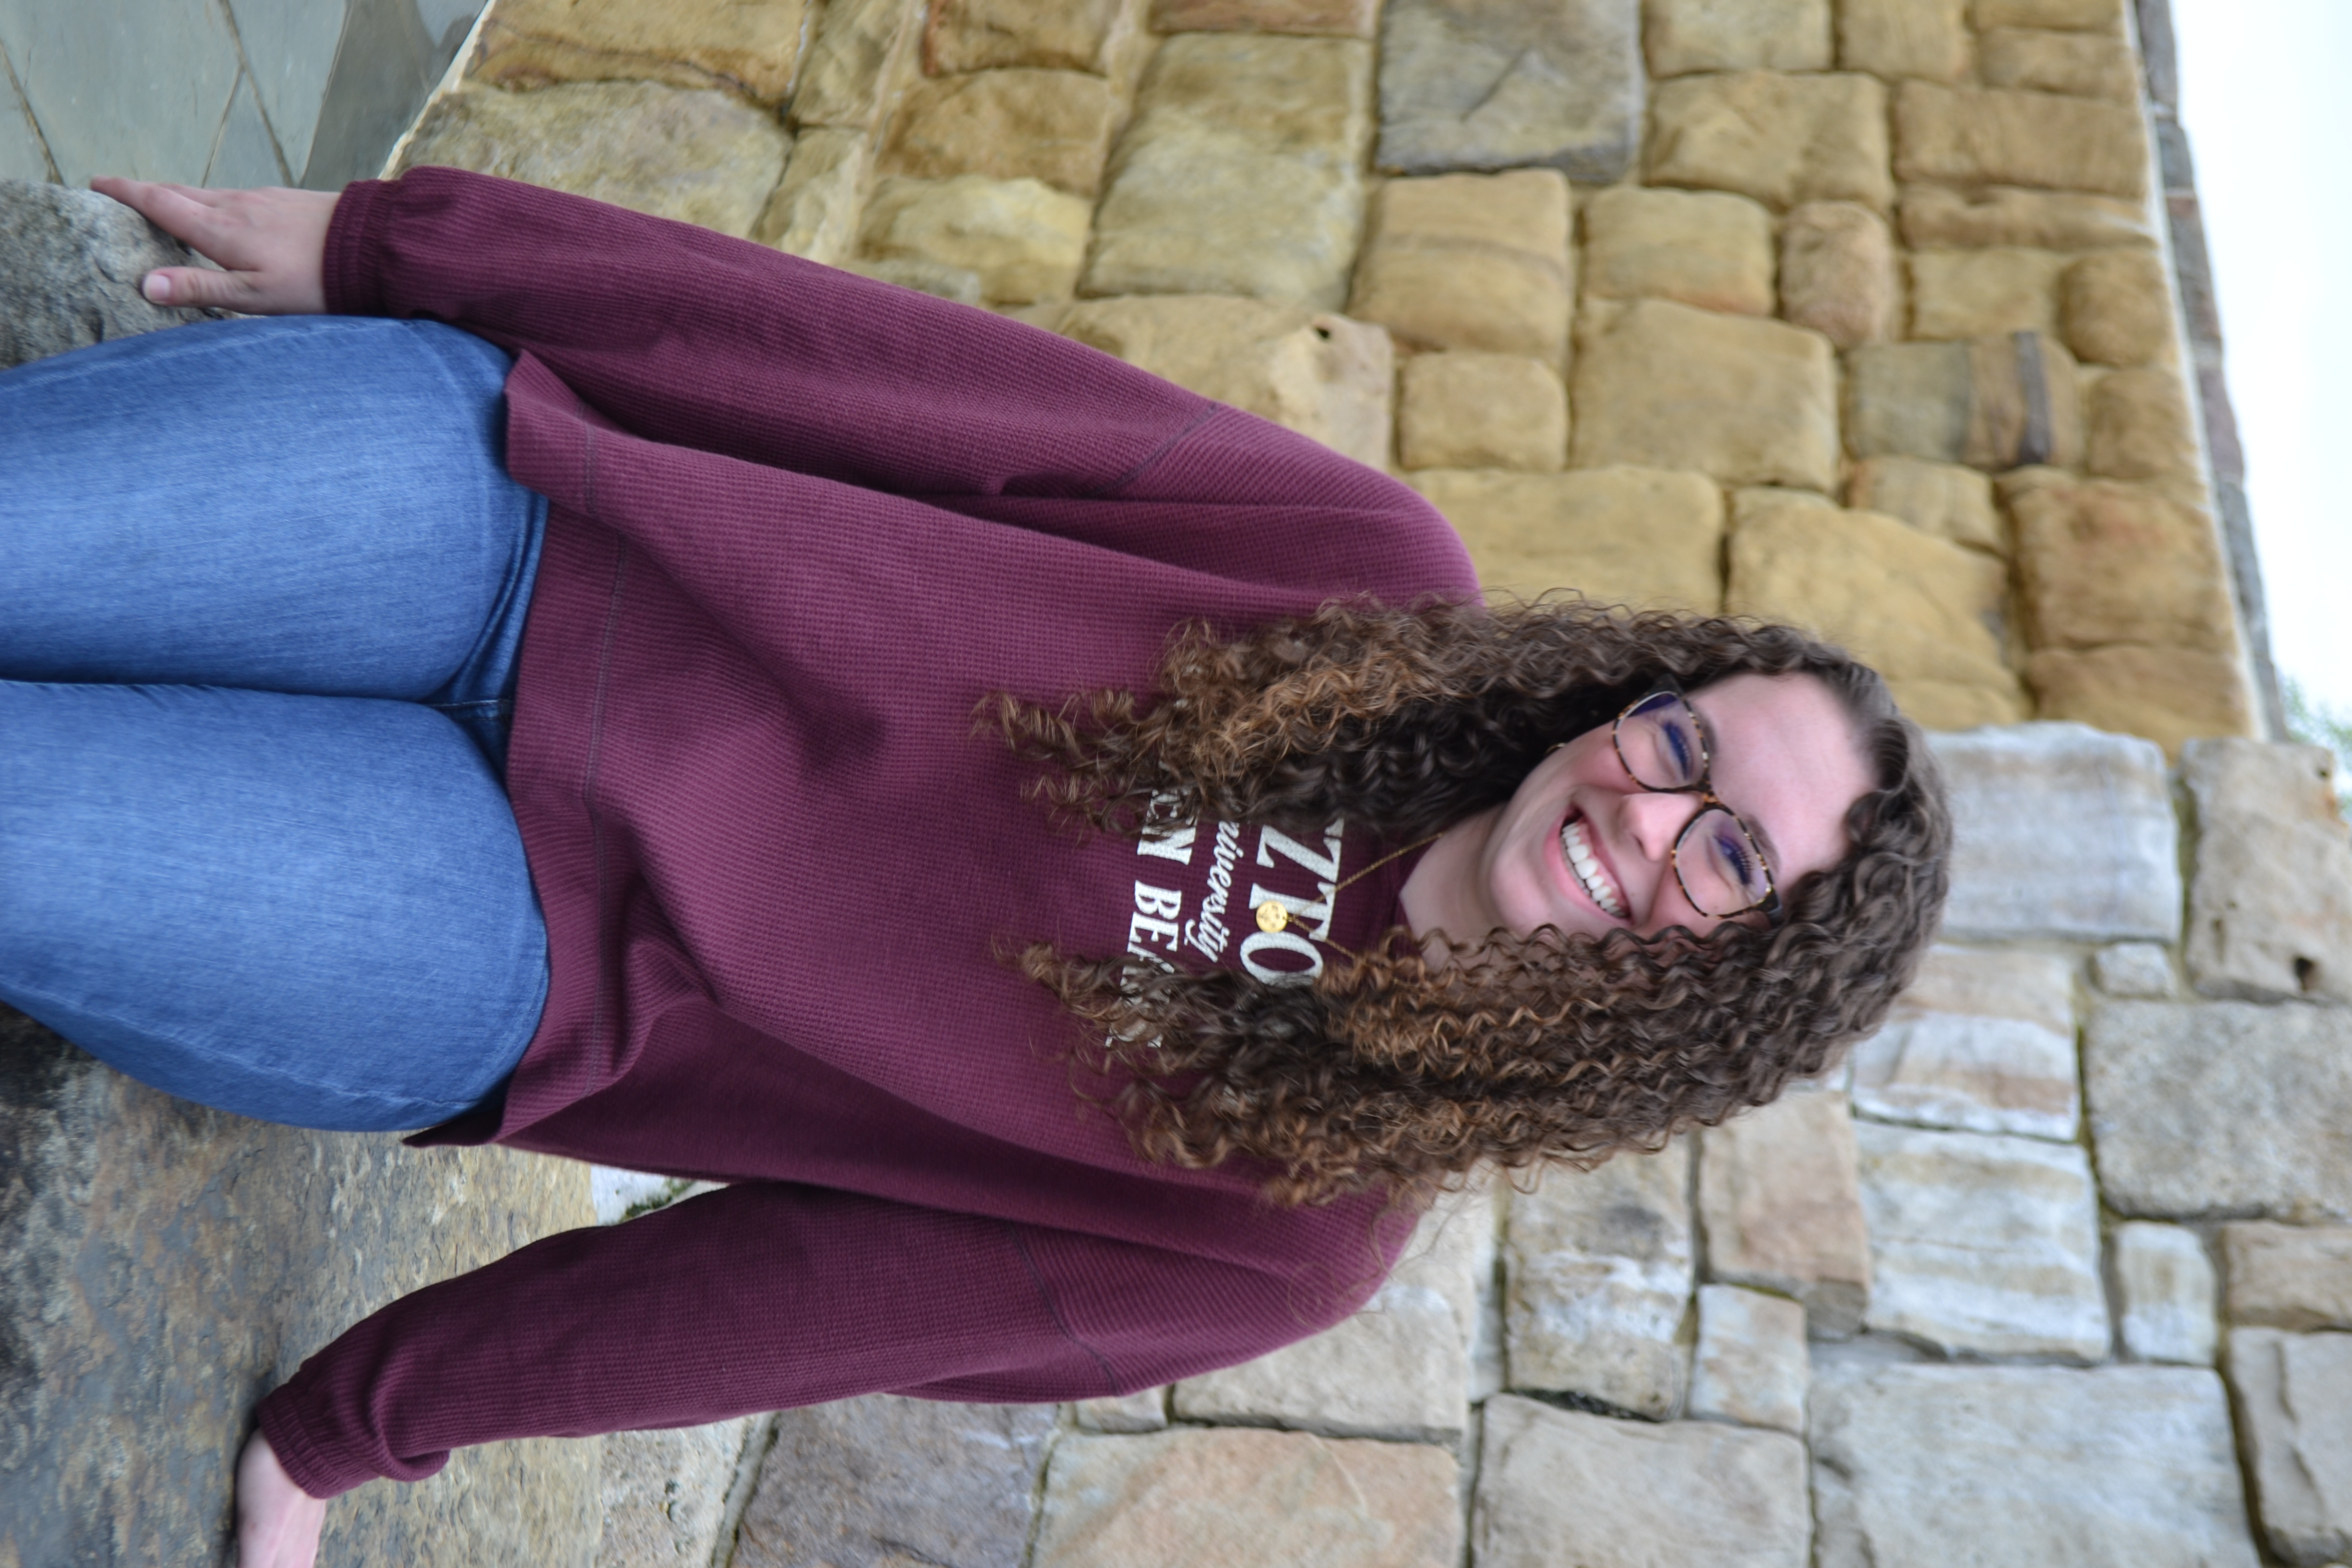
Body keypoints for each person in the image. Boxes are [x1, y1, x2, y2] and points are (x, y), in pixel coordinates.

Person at [6, 172, 1950, 1567]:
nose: (1647, 816)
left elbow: (781, 1298)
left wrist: (354, 1426)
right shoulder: (1364, 582)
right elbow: (892, 376)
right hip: (528, 524)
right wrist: (402, 244)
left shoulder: (1288, 1231)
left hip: (507, 950)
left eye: (1727, 857)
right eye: (1681, 743)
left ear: (1719, 984)